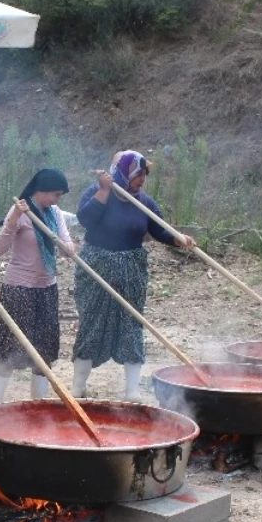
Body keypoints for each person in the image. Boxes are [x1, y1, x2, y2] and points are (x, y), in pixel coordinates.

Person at [71, 150, 196, 400]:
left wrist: (178, 239)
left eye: (145, 175)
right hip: (97, 267)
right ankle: (78, 387)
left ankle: (131, 391)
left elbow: (159, 229)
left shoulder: (145, 203)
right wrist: (104, 191)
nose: (143, 179)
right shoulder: (98, 192)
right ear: (123, 173)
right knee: (92, 323)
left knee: (131, 325)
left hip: (131, 270)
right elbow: (85, 218)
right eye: (139, 174)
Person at [0, 168, 75, 404]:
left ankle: (39, 407)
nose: (56, 200)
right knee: (8, 353)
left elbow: (65, 244)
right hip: (19, 290)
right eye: (54, 194)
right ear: (41, 190)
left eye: (59, 196)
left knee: (43, 354)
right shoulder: (20, 211)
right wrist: (14, 219)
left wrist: (69, 248)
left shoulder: (54, 213)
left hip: (47, 289)